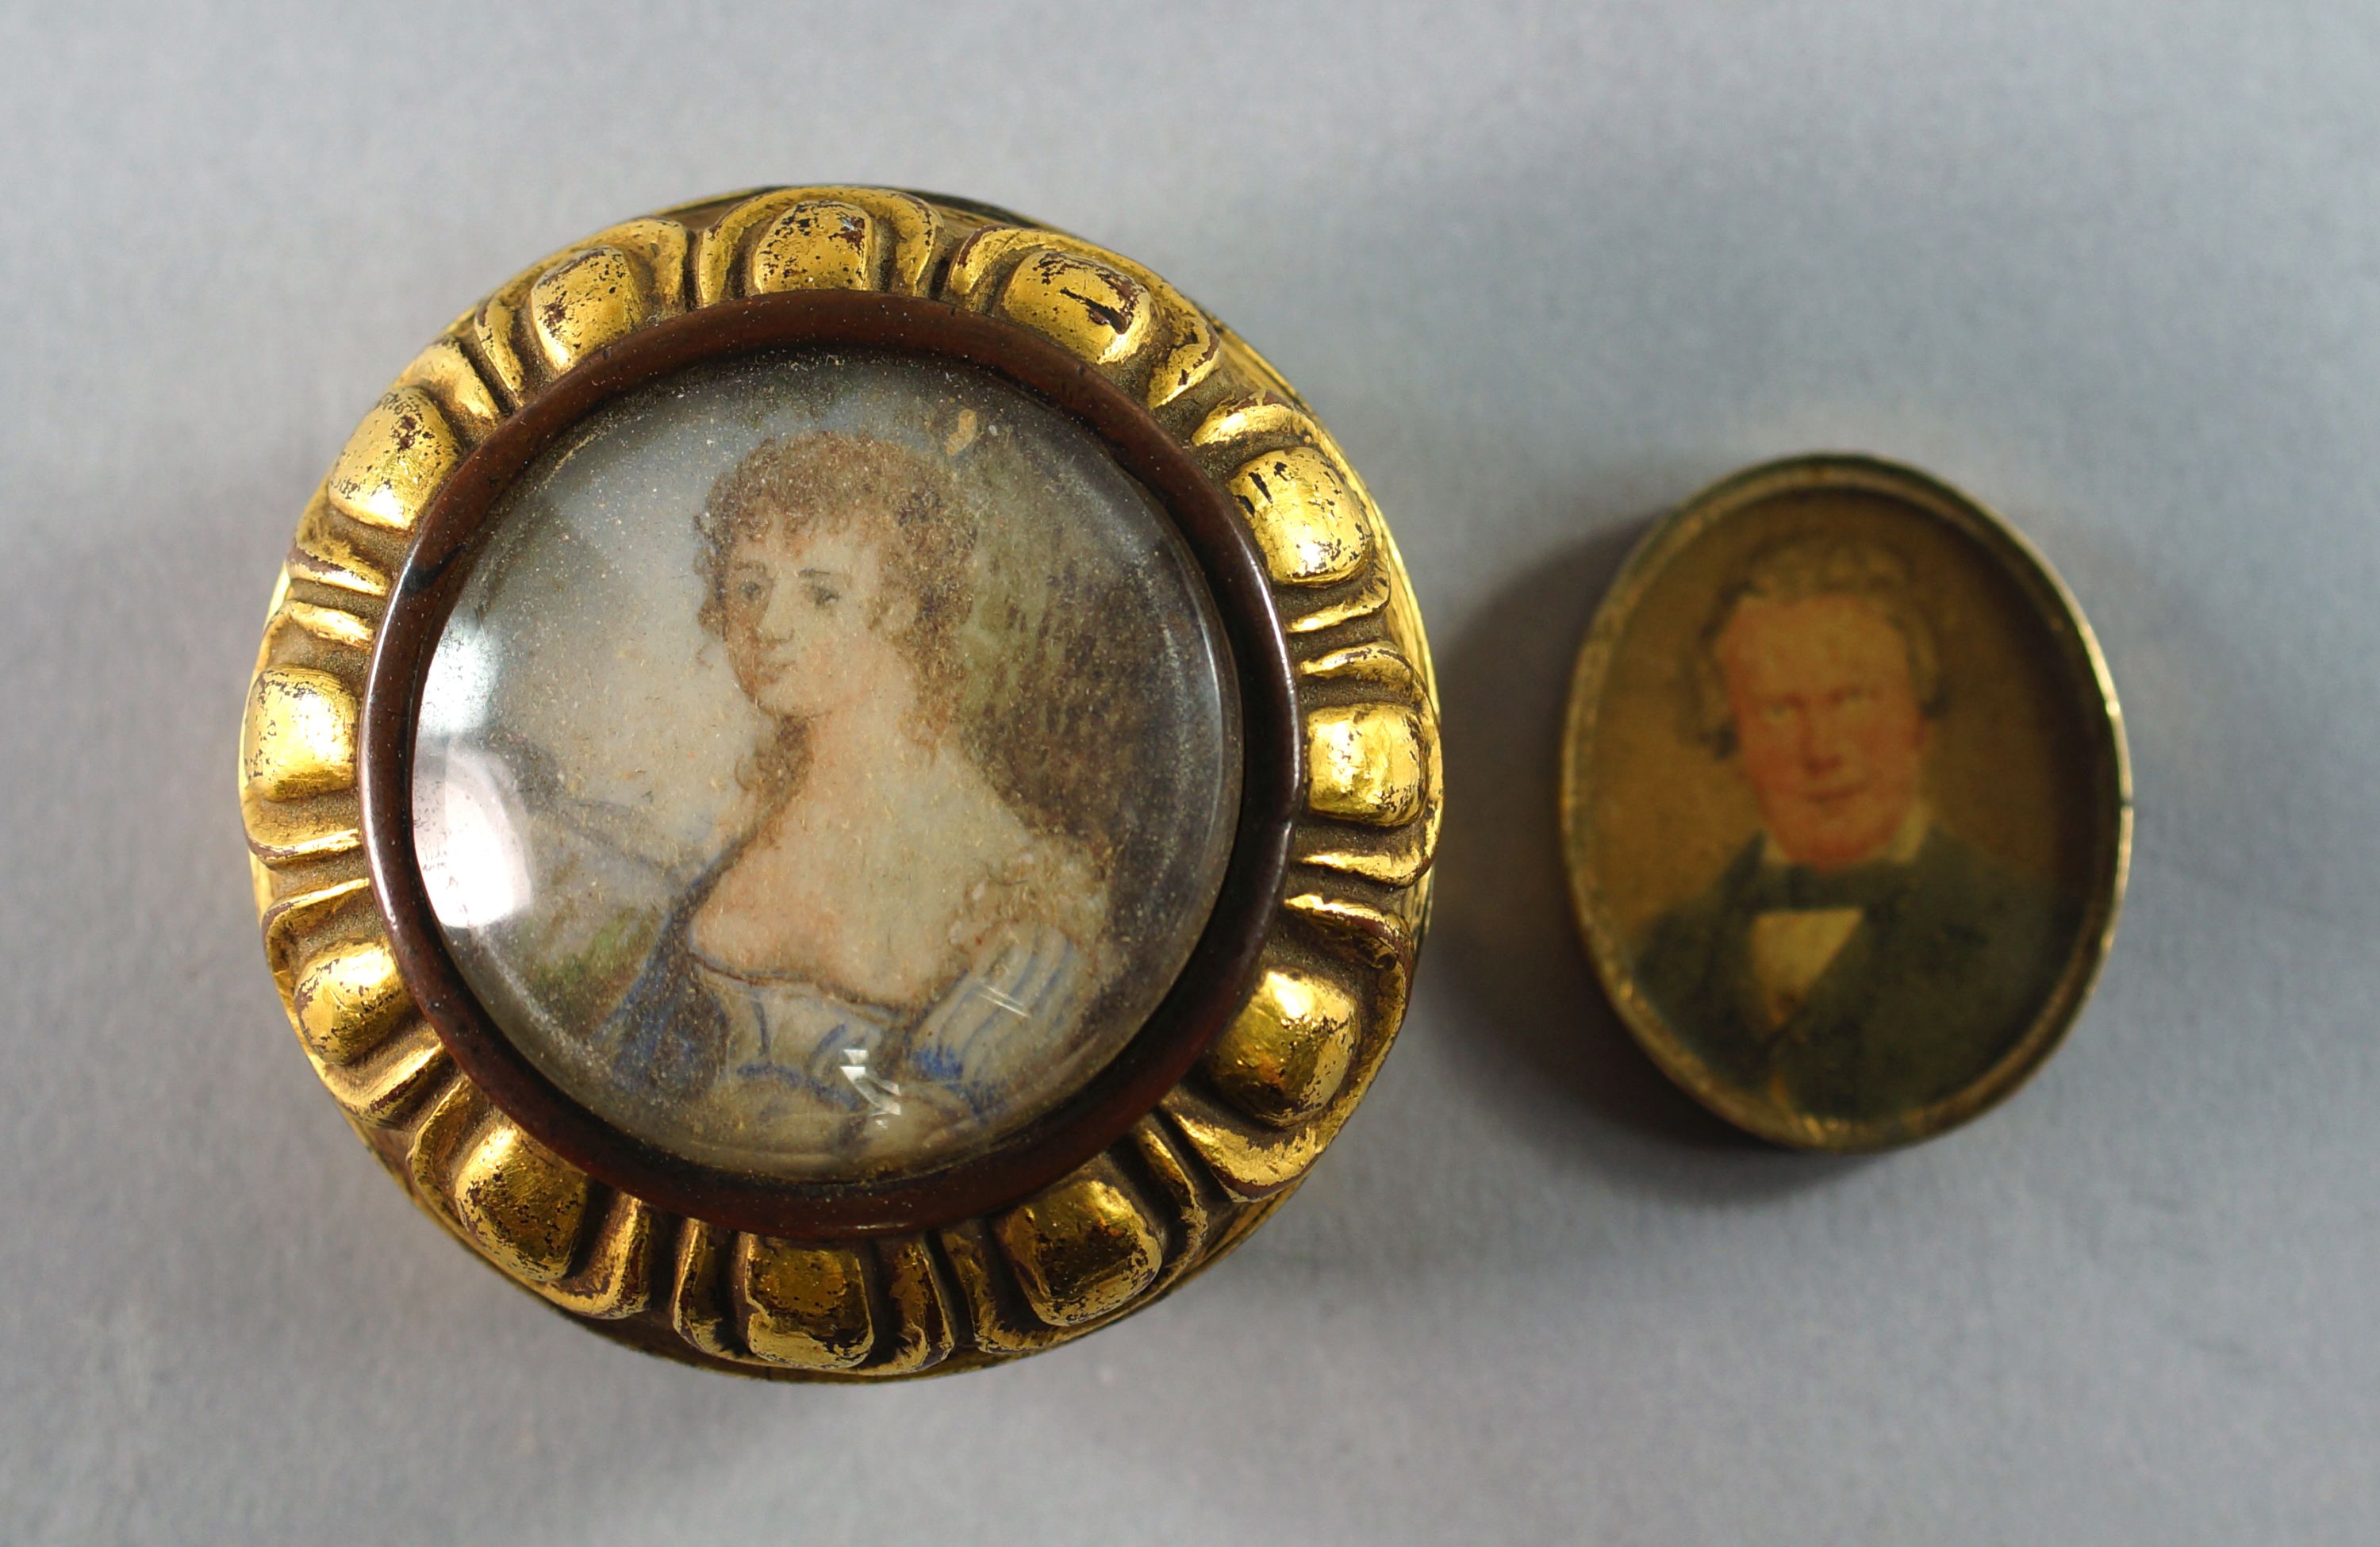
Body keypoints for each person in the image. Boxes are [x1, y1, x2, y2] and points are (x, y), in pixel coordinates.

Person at [601, 432, 1106, 1168]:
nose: (767, 626)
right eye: (749, 585)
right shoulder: (749, 822)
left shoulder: (1022, 897)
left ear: (899, 607)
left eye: (820, 592)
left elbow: (919, 1162)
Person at [1633, 535, 2069, 1123]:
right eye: (1779, 711)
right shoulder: (1663, 957)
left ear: (1920, 719)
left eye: (1852, 700)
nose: (1822, 751)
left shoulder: (2027, 937)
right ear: (1733, 741)